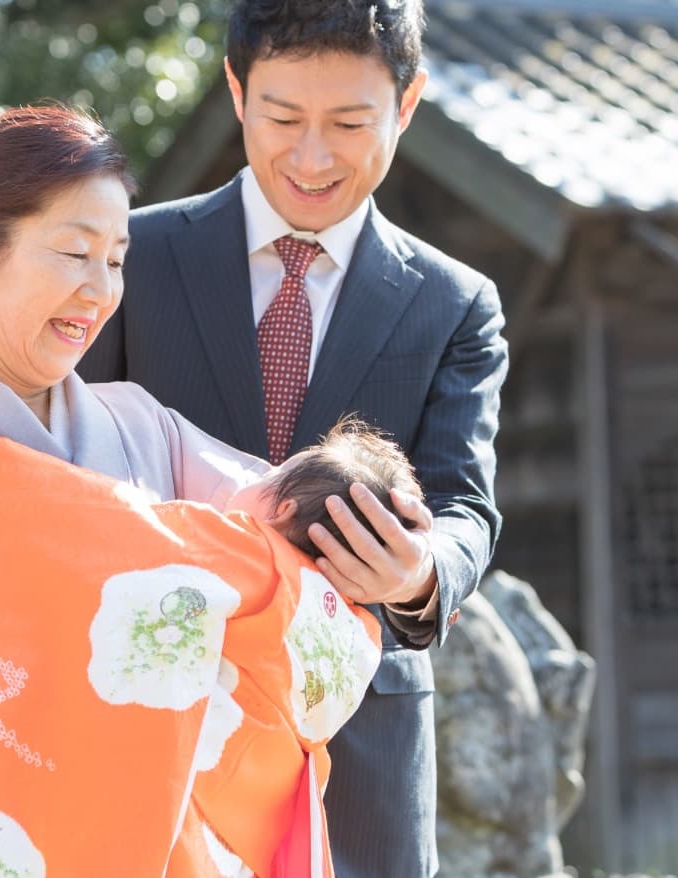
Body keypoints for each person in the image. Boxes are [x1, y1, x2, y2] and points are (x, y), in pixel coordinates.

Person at [0, 105, 383, 878]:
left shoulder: (143, 425)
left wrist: (383, 533)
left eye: (115, 261)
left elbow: (288, 518)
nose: (99, 290)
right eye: (76, 253)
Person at [77, 0, 509, 873]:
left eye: (349, 124)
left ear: (407, 103)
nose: (312, 159)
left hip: (363, 737)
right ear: (237, 92)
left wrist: (418, 571)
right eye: (282, 119)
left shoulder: (455, 304)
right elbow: (72, 460)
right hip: (153, 707)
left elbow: (465, 505)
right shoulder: (133, 257)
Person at [229, 416, 424, 557]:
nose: (259, 471)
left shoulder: (221, 556)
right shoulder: (326, 597)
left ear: (283, 512)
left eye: (271, 473)